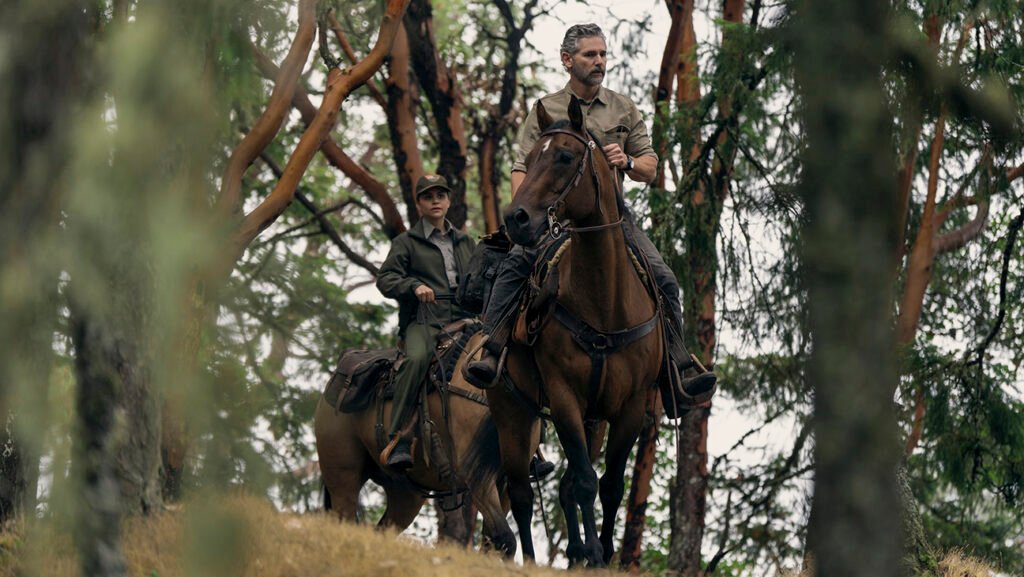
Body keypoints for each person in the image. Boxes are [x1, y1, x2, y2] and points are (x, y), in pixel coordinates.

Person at [463, 23, 717, 414]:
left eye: (602, 54)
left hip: (613, 223)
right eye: (589, 55)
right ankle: (491, 348)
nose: (599, 61)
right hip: (556, 222)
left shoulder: (623, 108)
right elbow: (521, 167)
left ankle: (676, 368)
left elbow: (650, 166)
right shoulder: (546, 110)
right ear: (568, 60)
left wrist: (628, 161)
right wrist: (527, 214)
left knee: (664, 278)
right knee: (515, 266)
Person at [376, 174, 475, 469]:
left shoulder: (466, 242)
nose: (435, 201)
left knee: (506, 351)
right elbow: (385, 279)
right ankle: (400, 438)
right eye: (428, 197)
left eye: (440, 195)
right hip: (425, 322)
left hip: (467, 320)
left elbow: (480, 280)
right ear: (419, 203)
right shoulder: (406, 242)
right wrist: (413, 287)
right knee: (417, 359)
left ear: (448, 201)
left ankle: (531, 448)